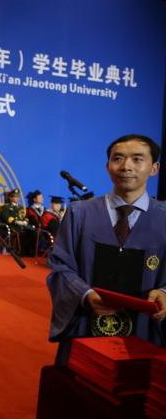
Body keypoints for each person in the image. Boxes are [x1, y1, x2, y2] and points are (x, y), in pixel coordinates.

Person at [47, 134, 166, 365]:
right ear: (107, 166)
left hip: (146, 331)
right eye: (118, 158)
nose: (126, 166)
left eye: (137, 159)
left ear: (154, 168)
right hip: (85, 328)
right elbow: (60, 267)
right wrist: (85, 295)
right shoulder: (79, 213)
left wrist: (164, 293)